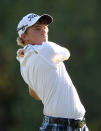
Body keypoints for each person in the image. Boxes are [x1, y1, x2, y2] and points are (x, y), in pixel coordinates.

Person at [16, 13, 89, 131]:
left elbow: (35, 94)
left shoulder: (23, 62)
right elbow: (66, 53)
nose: (44, 32)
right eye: (37, 29)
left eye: (45, 28)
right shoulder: (46, 49)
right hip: (62, 126)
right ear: (24, 36)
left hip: (67, 125)